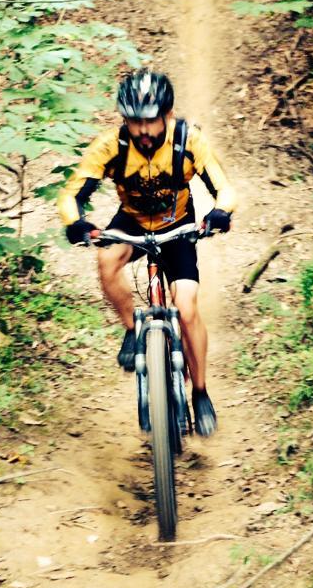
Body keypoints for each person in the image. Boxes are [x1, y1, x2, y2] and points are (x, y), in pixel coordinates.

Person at [57, 70, 236, 436]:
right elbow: (72, 193)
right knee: (106, 260)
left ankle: (200, 393)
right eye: (133, 120)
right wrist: (75, 222)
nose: (141, 129)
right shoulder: (111, 146)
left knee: (186, 307)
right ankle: (131, 330)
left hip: (177, 225)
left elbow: (223, 187)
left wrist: (221, 212)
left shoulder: (188, 140)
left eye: (149, 120)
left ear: (166, 115)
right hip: (133, 222)